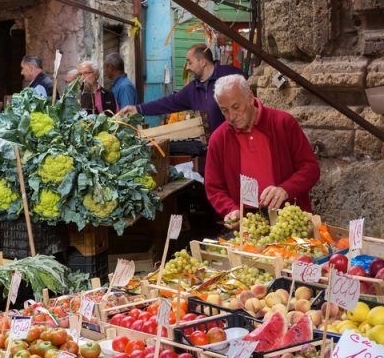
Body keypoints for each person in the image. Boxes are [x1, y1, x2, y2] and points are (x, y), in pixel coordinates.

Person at [204, 75, 320, 229]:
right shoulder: (218, 139)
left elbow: (310, 168)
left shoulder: (283, 123)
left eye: (236, 107)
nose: (231, 116)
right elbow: (213, 187)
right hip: (248, 224)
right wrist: (231, 209)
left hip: (289, 217)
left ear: (251, 98)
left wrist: (286, 189)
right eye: (224, 111)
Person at [119, 44, 244, 131]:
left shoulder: (230, 75)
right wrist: (138, 109)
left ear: (203, 62)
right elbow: (169, 102)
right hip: (212, 151)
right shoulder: (193, 89)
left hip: (236, 146)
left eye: (190, 62)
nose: (187, 67)